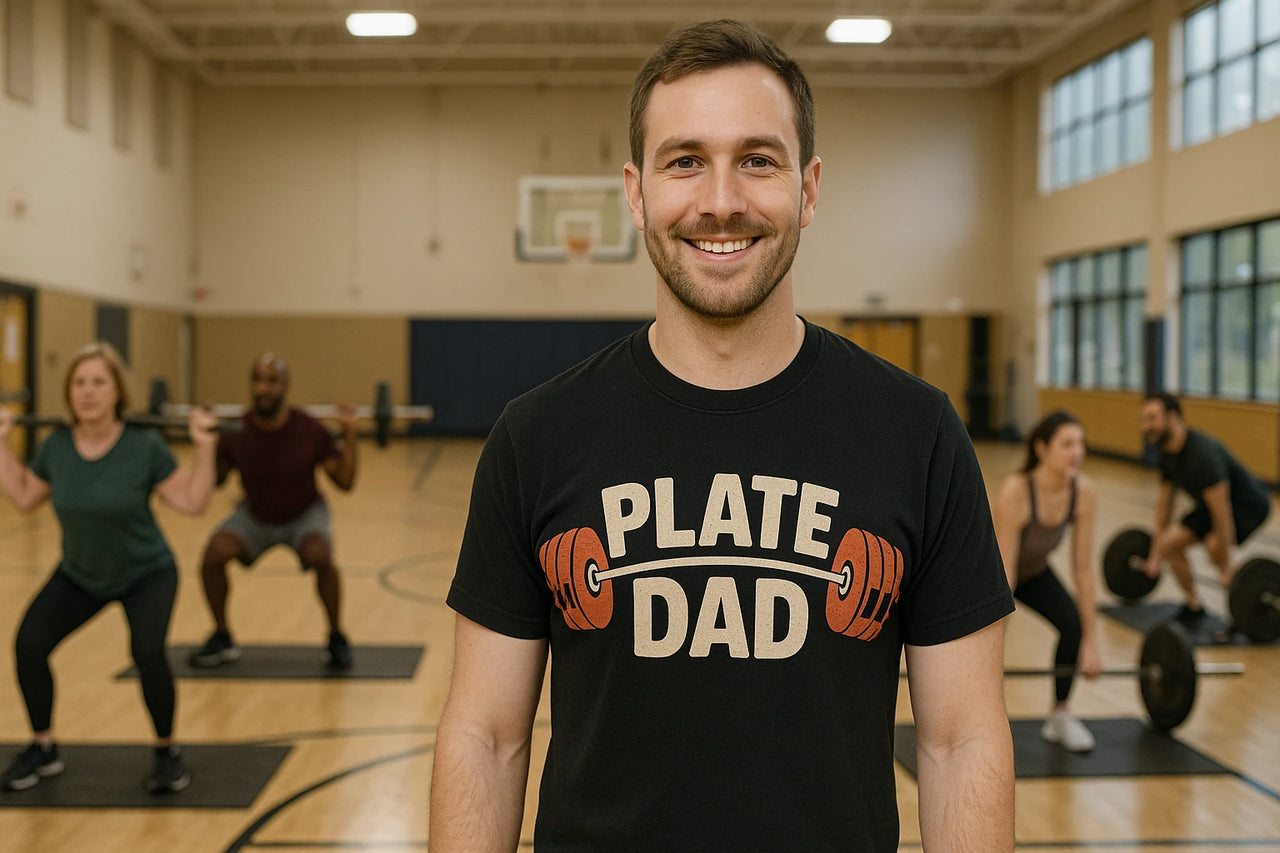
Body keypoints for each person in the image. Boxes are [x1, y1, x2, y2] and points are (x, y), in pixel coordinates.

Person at [431, 20, 1015, 852]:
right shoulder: (537, 436)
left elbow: (961, 743)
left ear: (809, 188)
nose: (720, 201)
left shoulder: (918, 434)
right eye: (684, 161)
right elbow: (487, 738)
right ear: (636, 193)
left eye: (758, 160)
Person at [0, 342, 217, 793]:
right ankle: (43, 747)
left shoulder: (144, 446)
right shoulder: (56, 447)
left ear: (118, 391)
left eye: (99, 382)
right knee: (29, 645)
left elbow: (193, 503)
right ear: (68, 392)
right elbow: (23, 496)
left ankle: (167, 752)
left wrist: (205, 447)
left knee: (147, 652)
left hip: (146, 573)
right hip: (80, 573)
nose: (88, 392)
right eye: (79, 383)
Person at [188, 353, 358, 669]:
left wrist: (349, 434)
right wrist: (208, 438)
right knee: (213, 554)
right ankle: (222, 637)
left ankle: (336, 635)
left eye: (271, 381)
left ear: (285, 386)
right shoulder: (237, 430)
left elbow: (345, 482)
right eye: (257, 380)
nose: (263, 388)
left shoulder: (309, 429)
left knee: (321, 556)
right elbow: (218, 480)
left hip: (304, 513)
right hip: (255, 514)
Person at [992, 411, 1101, 752]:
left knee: (1072, 625)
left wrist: (1091, 642)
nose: (1076, 452)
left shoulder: (1083, 493)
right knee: (983, 649)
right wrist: (993, 650)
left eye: (1080, 443)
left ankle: (1059, 715)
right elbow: (1005, 575)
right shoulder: (1017, 491)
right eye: (1066, 444)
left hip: (1034, 572)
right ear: (1041, 449)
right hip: (992, 574)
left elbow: (1083, 570)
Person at [1139, 392, 1272, 631]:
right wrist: (1155, 555)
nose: (1146, 426)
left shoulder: (1202, 455)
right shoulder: (1167, 454)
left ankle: (1243, 612)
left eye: (1152, 418)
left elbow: (1222, 512)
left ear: (1172, 417)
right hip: (1211, 506)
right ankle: (1194, 605)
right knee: (1169, 543)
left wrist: (1227, 564)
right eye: (1144, 420)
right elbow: (1164, 508)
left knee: (1214, 546)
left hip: (1248, 505)